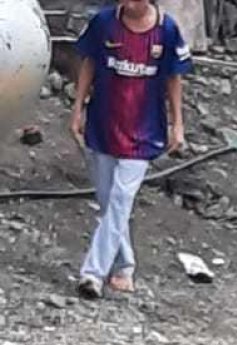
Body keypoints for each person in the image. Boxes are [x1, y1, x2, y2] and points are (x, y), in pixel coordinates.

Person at [71, 0, 192, 299]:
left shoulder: (166, 30)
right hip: (104, 123)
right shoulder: (103, 23)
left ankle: (92, 273)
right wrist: (78, 108)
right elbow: (89, 63)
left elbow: (174, 78)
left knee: (121, 199)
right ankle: (124, 264)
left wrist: (178, 124)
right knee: (107, 200)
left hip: (143, 130)